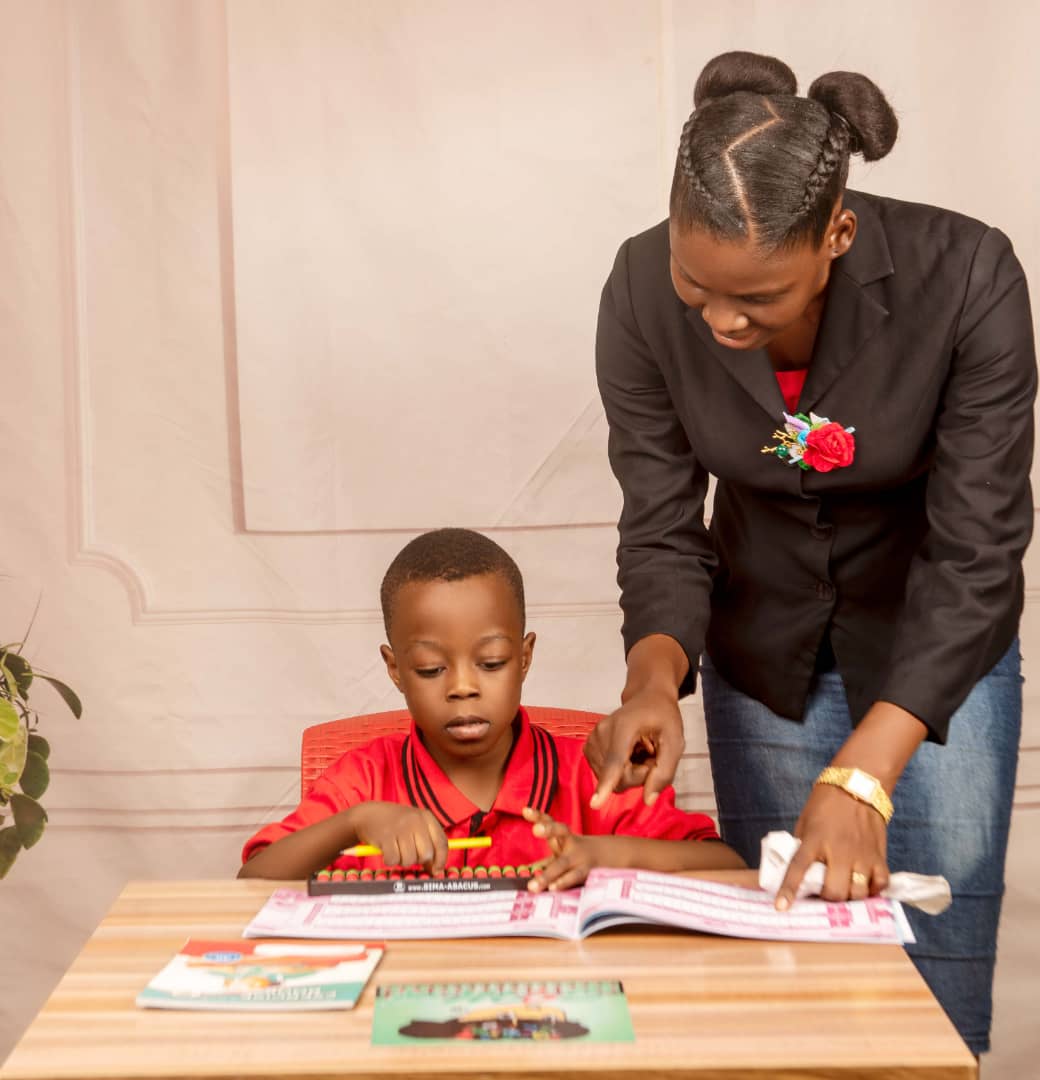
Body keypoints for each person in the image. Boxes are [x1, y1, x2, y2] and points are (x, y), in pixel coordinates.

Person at [584, 50, 1034, 1055]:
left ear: (837, 233)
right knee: (784, 968)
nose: (719, 321)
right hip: (764, 647)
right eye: (695, 284)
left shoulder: (965, 275)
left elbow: (977, 546)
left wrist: (863, 775)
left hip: (934, 649)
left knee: (932, 968)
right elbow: (659, 519)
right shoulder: (635, 286)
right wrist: (653, 680)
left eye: (759, 299)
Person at [240, 528, 744, 889]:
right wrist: (355, 823)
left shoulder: (588, 778)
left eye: (492, 662)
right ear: (394, 669)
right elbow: (252, 880)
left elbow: (725, 865)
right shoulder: (365, 782)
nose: (463, 687)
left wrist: (608, 854)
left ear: (524, 657)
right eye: (431, 669)